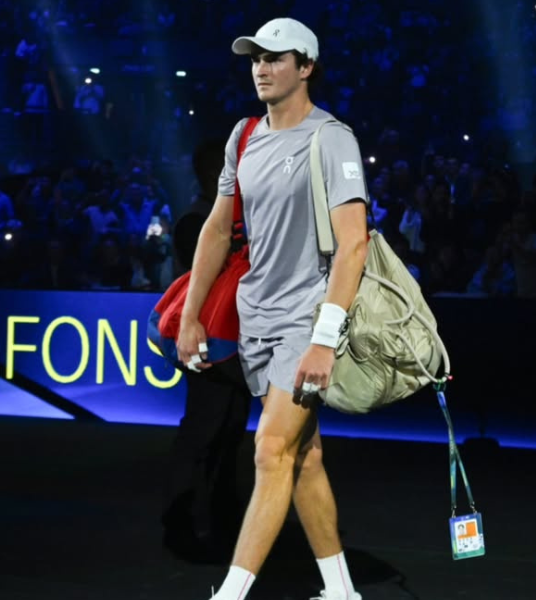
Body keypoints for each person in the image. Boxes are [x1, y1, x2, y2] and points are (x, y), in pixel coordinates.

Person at [177, 17, 369, 600]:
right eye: (256, 58)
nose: (261, 68)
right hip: (256, 318)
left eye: (275, 58)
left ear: (306, 67)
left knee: (269, 450)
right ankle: (342, 591)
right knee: (302, 456)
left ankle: (231, 594)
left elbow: (353, 243)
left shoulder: (331, 138)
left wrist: (324, 339)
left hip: (307, 321)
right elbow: (217, 230)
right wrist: (191, 314)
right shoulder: (242, 136)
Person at [161, 139, 253, 564]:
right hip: (205, 340)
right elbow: (210, 276)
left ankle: (222, 519)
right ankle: (180, 522)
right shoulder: (197, 222)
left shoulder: (227, 217)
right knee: (202, 432)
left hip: (232, 342)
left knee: (229, 432)